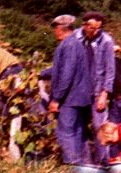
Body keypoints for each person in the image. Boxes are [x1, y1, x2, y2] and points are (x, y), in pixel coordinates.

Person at [48, 14, 93, 165]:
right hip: (80, 98)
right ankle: (84, 168)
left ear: (60, 29)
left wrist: (56, 98)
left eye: (55, 28)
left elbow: (66, 74)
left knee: (66, 133)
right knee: (78, 132)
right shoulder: (75, 43)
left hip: (70, 99)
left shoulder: (68, 45)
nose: (54, 32)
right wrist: (42, 74)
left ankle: (73, 168)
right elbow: (60, 69)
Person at [74, 11, 116, 165]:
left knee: (101, 127)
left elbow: (110, 70)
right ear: (84, 25)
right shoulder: (76, 38)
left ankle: (103, 164)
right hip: (79, 91)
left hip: (98, 91)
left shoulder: (106, 41)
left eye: (99, 28)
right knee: (79, 126)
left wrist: (105, 93)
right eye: (92, 28)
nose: (95, 31)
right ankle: (85, 163)